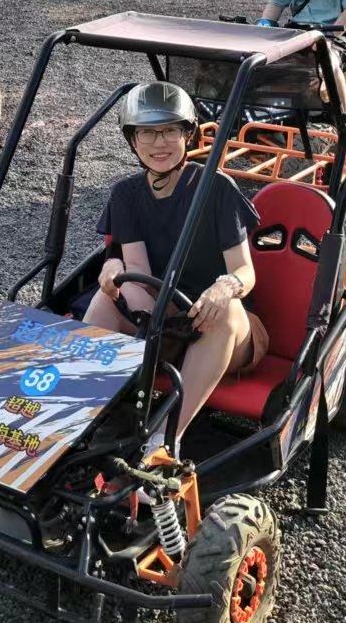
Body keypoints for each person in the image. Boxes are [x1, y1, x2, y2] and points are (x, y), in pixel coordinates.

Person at [83, 82, 268, 441]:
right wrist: (116, 273)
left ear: (188, 135)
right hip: (165, 324)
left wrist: (225, 286)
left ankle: (166, 441)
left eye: (170, 130)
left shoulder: (216, 188)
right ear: (132, 140)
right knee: (103, 299)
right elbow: (140, 279)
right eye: (147, 133)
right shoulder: (126, 195)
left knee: (225, 310)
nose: (159, 143)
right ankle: (71, 418)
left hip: (226, 332)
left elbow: (245, 271)